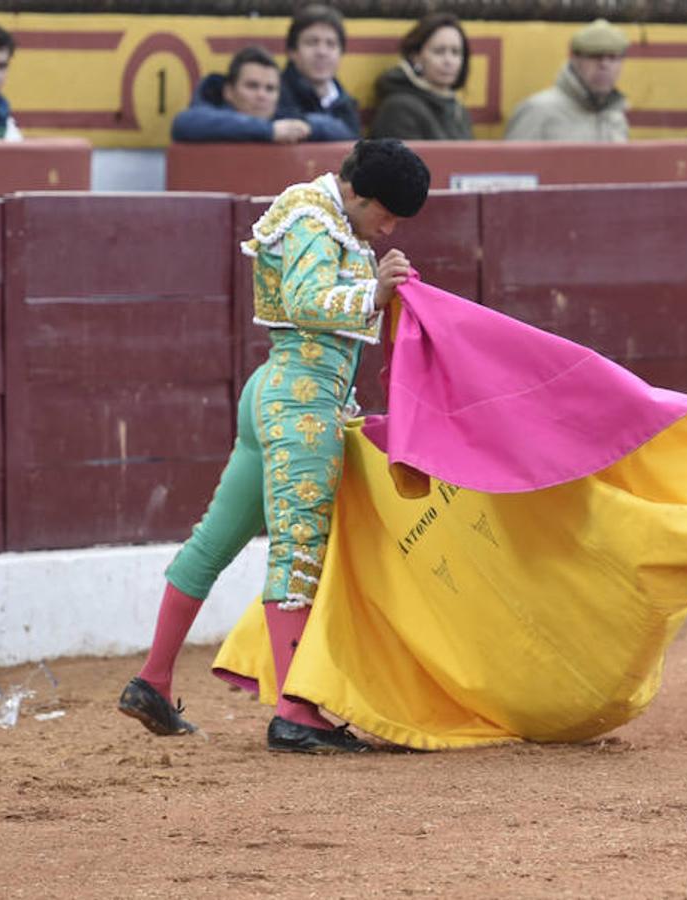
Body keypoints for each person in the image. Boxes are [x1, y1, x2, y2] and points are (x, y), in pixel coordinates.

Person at [118, 139, 431, 754]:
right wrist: (374, 294)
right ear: (358, 194)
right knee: (299, 548)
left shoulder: (321, 216)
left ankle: (151, 680)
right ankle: (295, 713)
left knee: (214, 540)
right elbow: (304, 301)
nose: (387, 227)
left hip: (281, 392)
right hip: (301, 404)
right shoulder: (316, 220)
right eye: (386, 214)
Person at [503, 18, 629, 142]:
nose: (604, 65)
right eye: (594, 56)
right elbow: (511, 162)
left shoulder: (615, 118)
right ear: (574, 58)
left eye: (613, 58)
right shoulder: (537, 112)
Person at [172, 46, 314, 143]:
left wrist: (306, 127)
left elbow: (332, 126)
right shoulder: (208, 121)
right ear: (228, 92)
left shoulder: (283, 119)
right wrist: (269, 131)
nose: (262, 95)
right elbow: (184, 123)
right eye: (252, 86)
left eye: (270, 89)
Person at [370, 12, 473, 141]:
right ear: (416, 57)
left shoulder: (459, 110)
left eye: (456, 52)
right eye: (439, 51)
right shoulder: (399, 108)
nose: (449, 61)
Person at [275, 4, 361, 141]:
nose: (322, 52)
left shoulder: (345, 102)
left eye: (331, 44)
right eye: (311, 43)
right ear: (292, 52)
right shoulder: (274, 92)